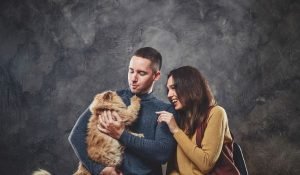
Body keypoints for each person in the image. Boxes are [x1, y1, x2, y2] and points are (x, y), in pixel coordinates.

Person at [68, 47, 177, 175]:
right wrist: (99, 170)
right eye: (131, 71)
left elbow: (162, 153)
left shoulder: (164, 109)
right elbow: (76, 136)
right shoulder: (109, 98)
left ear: (156, 76)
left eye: (141, 73)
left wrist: (121, 134)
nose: (133, 78)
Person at [157, 66, 235, 175]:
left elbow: (205, 164)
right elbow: (173, 168)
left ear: (190, 87)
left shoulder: (216, 113)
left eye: (174, 87)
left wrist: (176, 131)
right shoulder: (180, 120)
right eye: (168, 89)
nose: (169, 95)